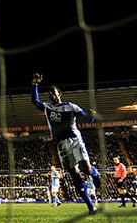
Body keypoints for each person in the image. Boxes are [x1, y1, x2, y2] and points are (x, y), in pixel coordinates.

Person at [31, 73, 98, 215]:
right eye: (49, 94)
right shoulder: (47, 107)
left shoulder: (71, 106)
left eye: (53, 93)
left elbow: (85, 119)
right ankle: (90, 206)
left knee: (85, 169)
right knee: (74, 174)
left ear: (59, 93)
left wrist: (91, 117)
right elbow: (34, 101)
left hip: (75, 140)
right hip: (61, 144)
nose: (51, 95)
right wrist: (35, 84)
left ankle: (96, 175)